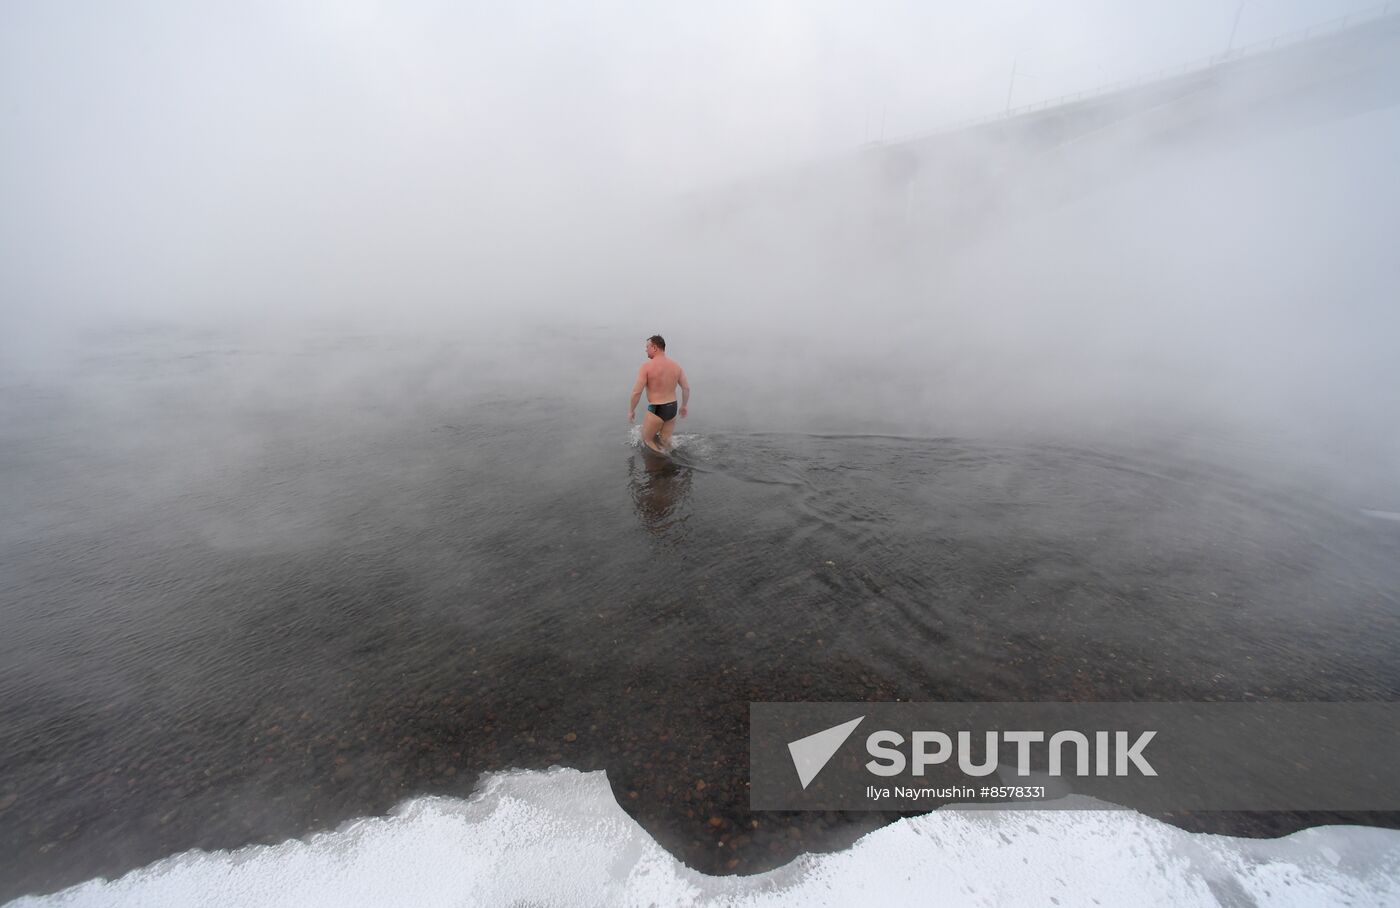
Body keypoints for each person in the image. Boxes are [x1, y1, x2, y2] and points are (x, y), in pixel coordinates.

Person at [628, 334, 689, 453]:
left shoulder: (646, 367)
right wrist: (684, 406)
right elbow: (686, 388)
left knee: (647, 440)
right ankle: (668, 465)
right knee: (665, 441)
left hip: (657, 408)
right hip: (672, 408)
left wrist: (631, 410)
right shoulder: (676, 366)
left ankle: (661, 461)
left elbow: (636, 392)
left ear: (655, 347)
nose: (646, 349)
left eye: (647, 347)